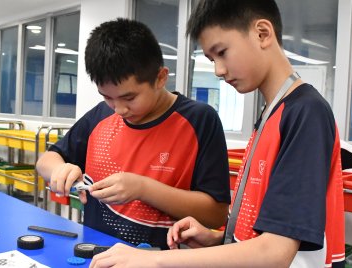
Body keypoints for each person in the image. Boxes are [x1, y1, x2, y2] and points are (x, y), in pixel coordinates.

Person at [89, 1, 346, 267]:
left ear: (262, 33)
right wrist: (218, 239)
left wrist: (155, 260)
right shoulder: (272, 114)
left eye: (222, 52)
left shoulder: (305, 112)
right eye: (212, 60)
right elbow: (265, 229)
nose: (219, 71)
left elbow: (275, 253)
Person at [36, 18, 231, 249]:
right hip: (98, 256)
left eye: (129, 98)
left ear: (160, 78)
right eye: (107, 97)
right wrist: (59, 169)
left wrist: (142, 189)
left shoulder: (199, 120)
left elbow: (216, 214)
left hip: (163, 261)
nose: (119, 109)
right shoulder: (100, 116)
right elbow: (46, 160)